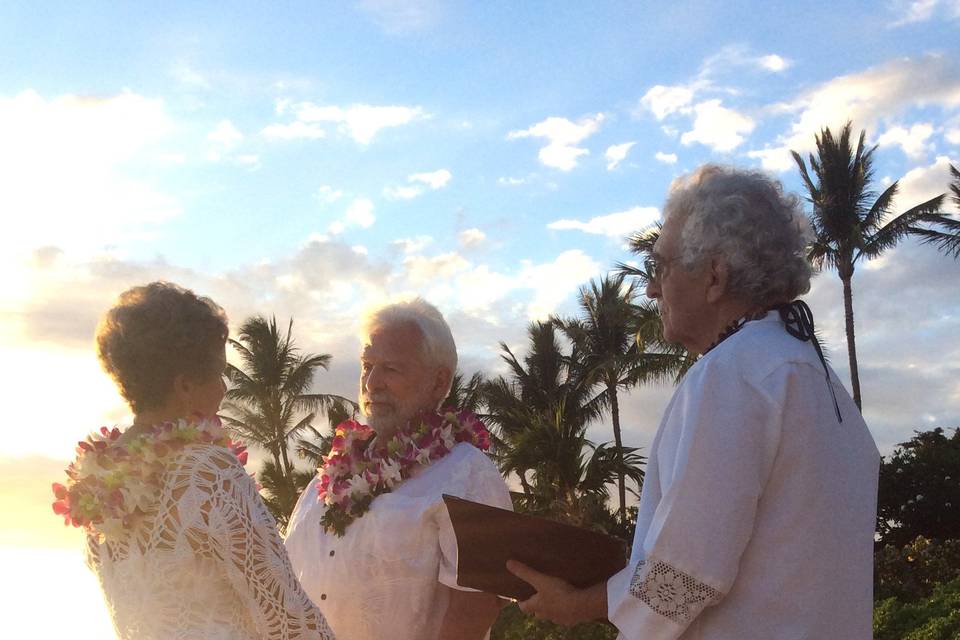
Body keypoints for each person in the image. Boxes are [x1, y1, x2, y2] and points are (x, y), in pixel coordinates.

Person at [507, 164, 880, 638]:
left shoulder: (733, 373)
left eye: (659, 266)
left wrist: (575, 603)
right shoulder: (815, 379)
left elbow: (684, 575)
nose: (651, 288)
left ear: (714, 276)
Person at [52, 282, 335, 640]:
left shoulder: (96, 484)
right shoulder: (206, 471)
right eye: (219, 373)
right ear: (185, 386)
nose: (224, 388)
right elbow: (288, 619)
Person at [285, 298, 511, 640]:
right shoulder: (326, 479)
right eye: (367, 365)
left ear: (439, 382)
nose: (372, 382)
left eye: (391, 369)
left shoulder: (467, 474)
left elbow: (474, 610)